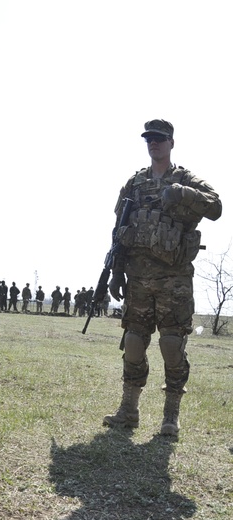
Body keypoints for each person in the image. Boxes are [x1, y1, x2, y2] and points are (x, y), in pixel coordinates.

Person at [103, 119, 222, 435]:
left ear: (171, 143)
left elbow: (216, 206)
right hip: (138, 278)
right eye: (149, 140)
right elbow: (119, 229)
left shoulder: (186, 179)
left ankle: (171, 416)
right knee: (133, 343)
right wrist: (115, 272)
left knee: (171, 344)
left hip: (174, 278)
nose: (153, 144)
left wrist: (182, 193)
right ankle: (128, 411)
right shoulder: (134, 184)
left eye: (159, 139)